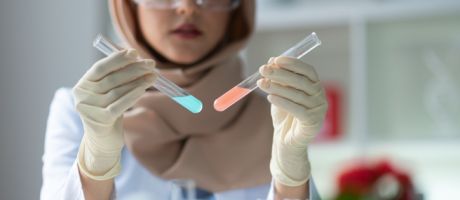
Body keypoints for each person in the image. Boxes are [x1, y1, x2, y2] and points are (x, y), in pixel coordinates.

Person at [40, 0, 328, 199]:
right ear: (128, 6)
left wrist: (291, 186)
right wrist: (94, 166)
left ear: (238, 9)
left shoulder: (281, 114)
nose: (188, 7)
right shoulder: (83, 111)